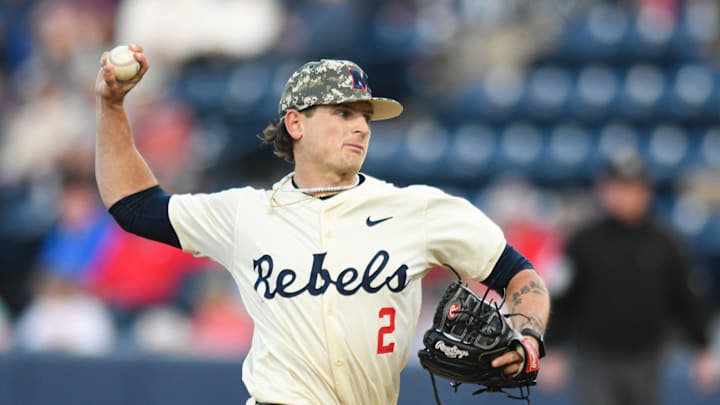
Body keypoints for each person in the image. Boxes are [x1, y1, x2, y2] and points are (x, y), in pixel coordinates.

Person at [94, 44, 550, 405]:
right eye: (344, 113)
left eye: (365, 117)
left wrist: (528, 333)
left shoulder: (419, 210)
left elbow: (519, 276)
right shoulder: (245, 213)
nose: (362, 128)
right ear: (296, 123)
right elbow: (133, 205)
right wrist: (112, 108)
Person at [546, 152, 718, 405]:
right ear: (603, 191)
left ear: (645, 191)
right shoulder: (583, 242)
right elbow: (561, 297)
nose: (624, 196)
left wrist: (702, 348)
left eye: (631, 188)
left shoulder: (665, 243)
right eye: (617, 188)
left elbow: (686, 297)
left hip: (648, 357)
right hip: (595, 358)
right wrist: (552, 347)